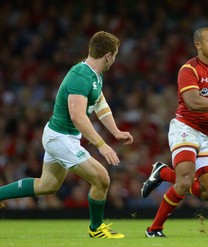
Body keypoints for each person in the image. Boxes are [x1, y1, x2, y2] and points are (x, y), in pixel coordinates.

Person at [0, 31, 133, 238]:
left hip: (63, 136)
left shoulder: (95, 75)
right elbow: (77, 117)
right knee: (102, 178)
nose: (114, 60)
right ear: (108, 55)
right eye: (114, 55)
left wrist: (115, 131)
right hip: (60, 138)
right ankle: (96, 228)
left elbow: (100, 104)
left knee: (46, 186)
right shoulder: (80, 77)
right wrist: (101, 144)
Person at [140, 27, 208, 237]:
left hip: (207, 134)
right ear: (198, 45)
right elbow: (192, 102)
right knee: (184, 181)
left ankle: (162, 173)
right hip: (185, 128)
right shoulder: (188, 70)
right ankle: (154, 228)